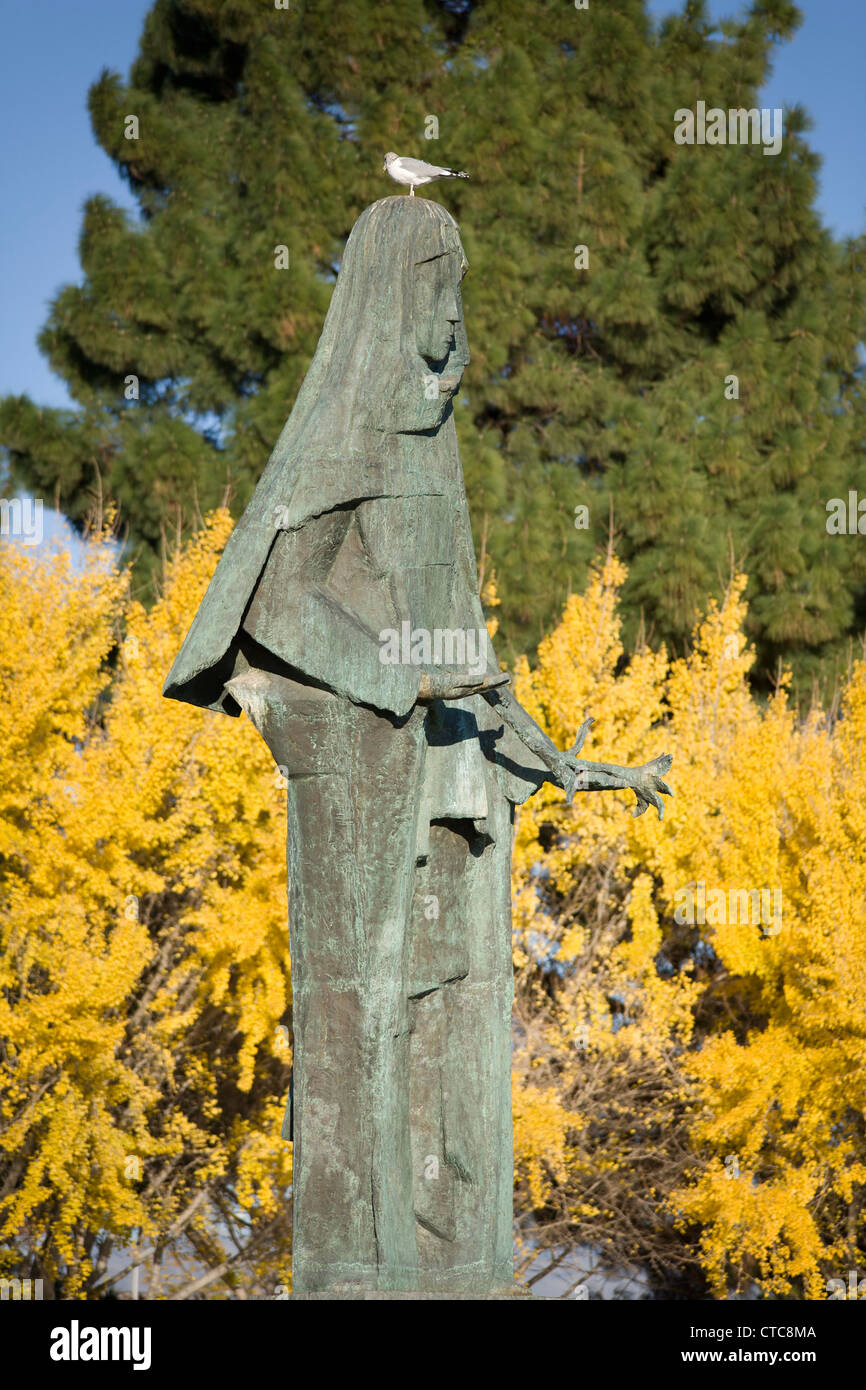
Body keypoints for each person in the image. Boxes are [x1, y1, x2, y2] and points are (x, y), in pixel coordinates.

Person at [163, 196, 672, 1294]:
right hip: (366, 766)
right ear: (398, 293)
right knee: (368, 1004)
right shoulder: (346, 432)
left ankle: (456, 1260)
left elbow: (464, 643)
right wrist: (401, 677)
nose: (453, 313)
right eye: (440, 285)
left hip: (458, 769)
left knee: (462, 999)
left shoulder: (434, 450)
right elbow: (276, 605)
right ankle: (364, 1263)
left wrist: (557, 757)